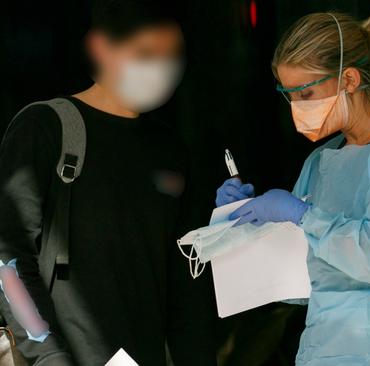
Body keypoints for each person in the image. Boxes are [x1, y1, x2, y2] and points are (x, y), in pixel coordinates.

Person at [215, 7, 370, 366]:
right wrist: (238, 224)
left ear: (349, 79)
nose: (296, 108)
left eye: (306, 93)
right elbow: (301, 282)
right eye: (288, 95)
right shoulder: (321, 162)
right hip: (327, 348)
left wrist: (303, 216)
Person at [0, 0, 216, 364]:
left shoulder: (171, 151)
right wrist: (48, 354)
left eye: (172, 55)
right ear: (102, 47)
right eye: (146, 54)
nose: (161, 69)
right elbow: (9, 256)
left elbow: (186, 284)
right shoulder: (46, 128)